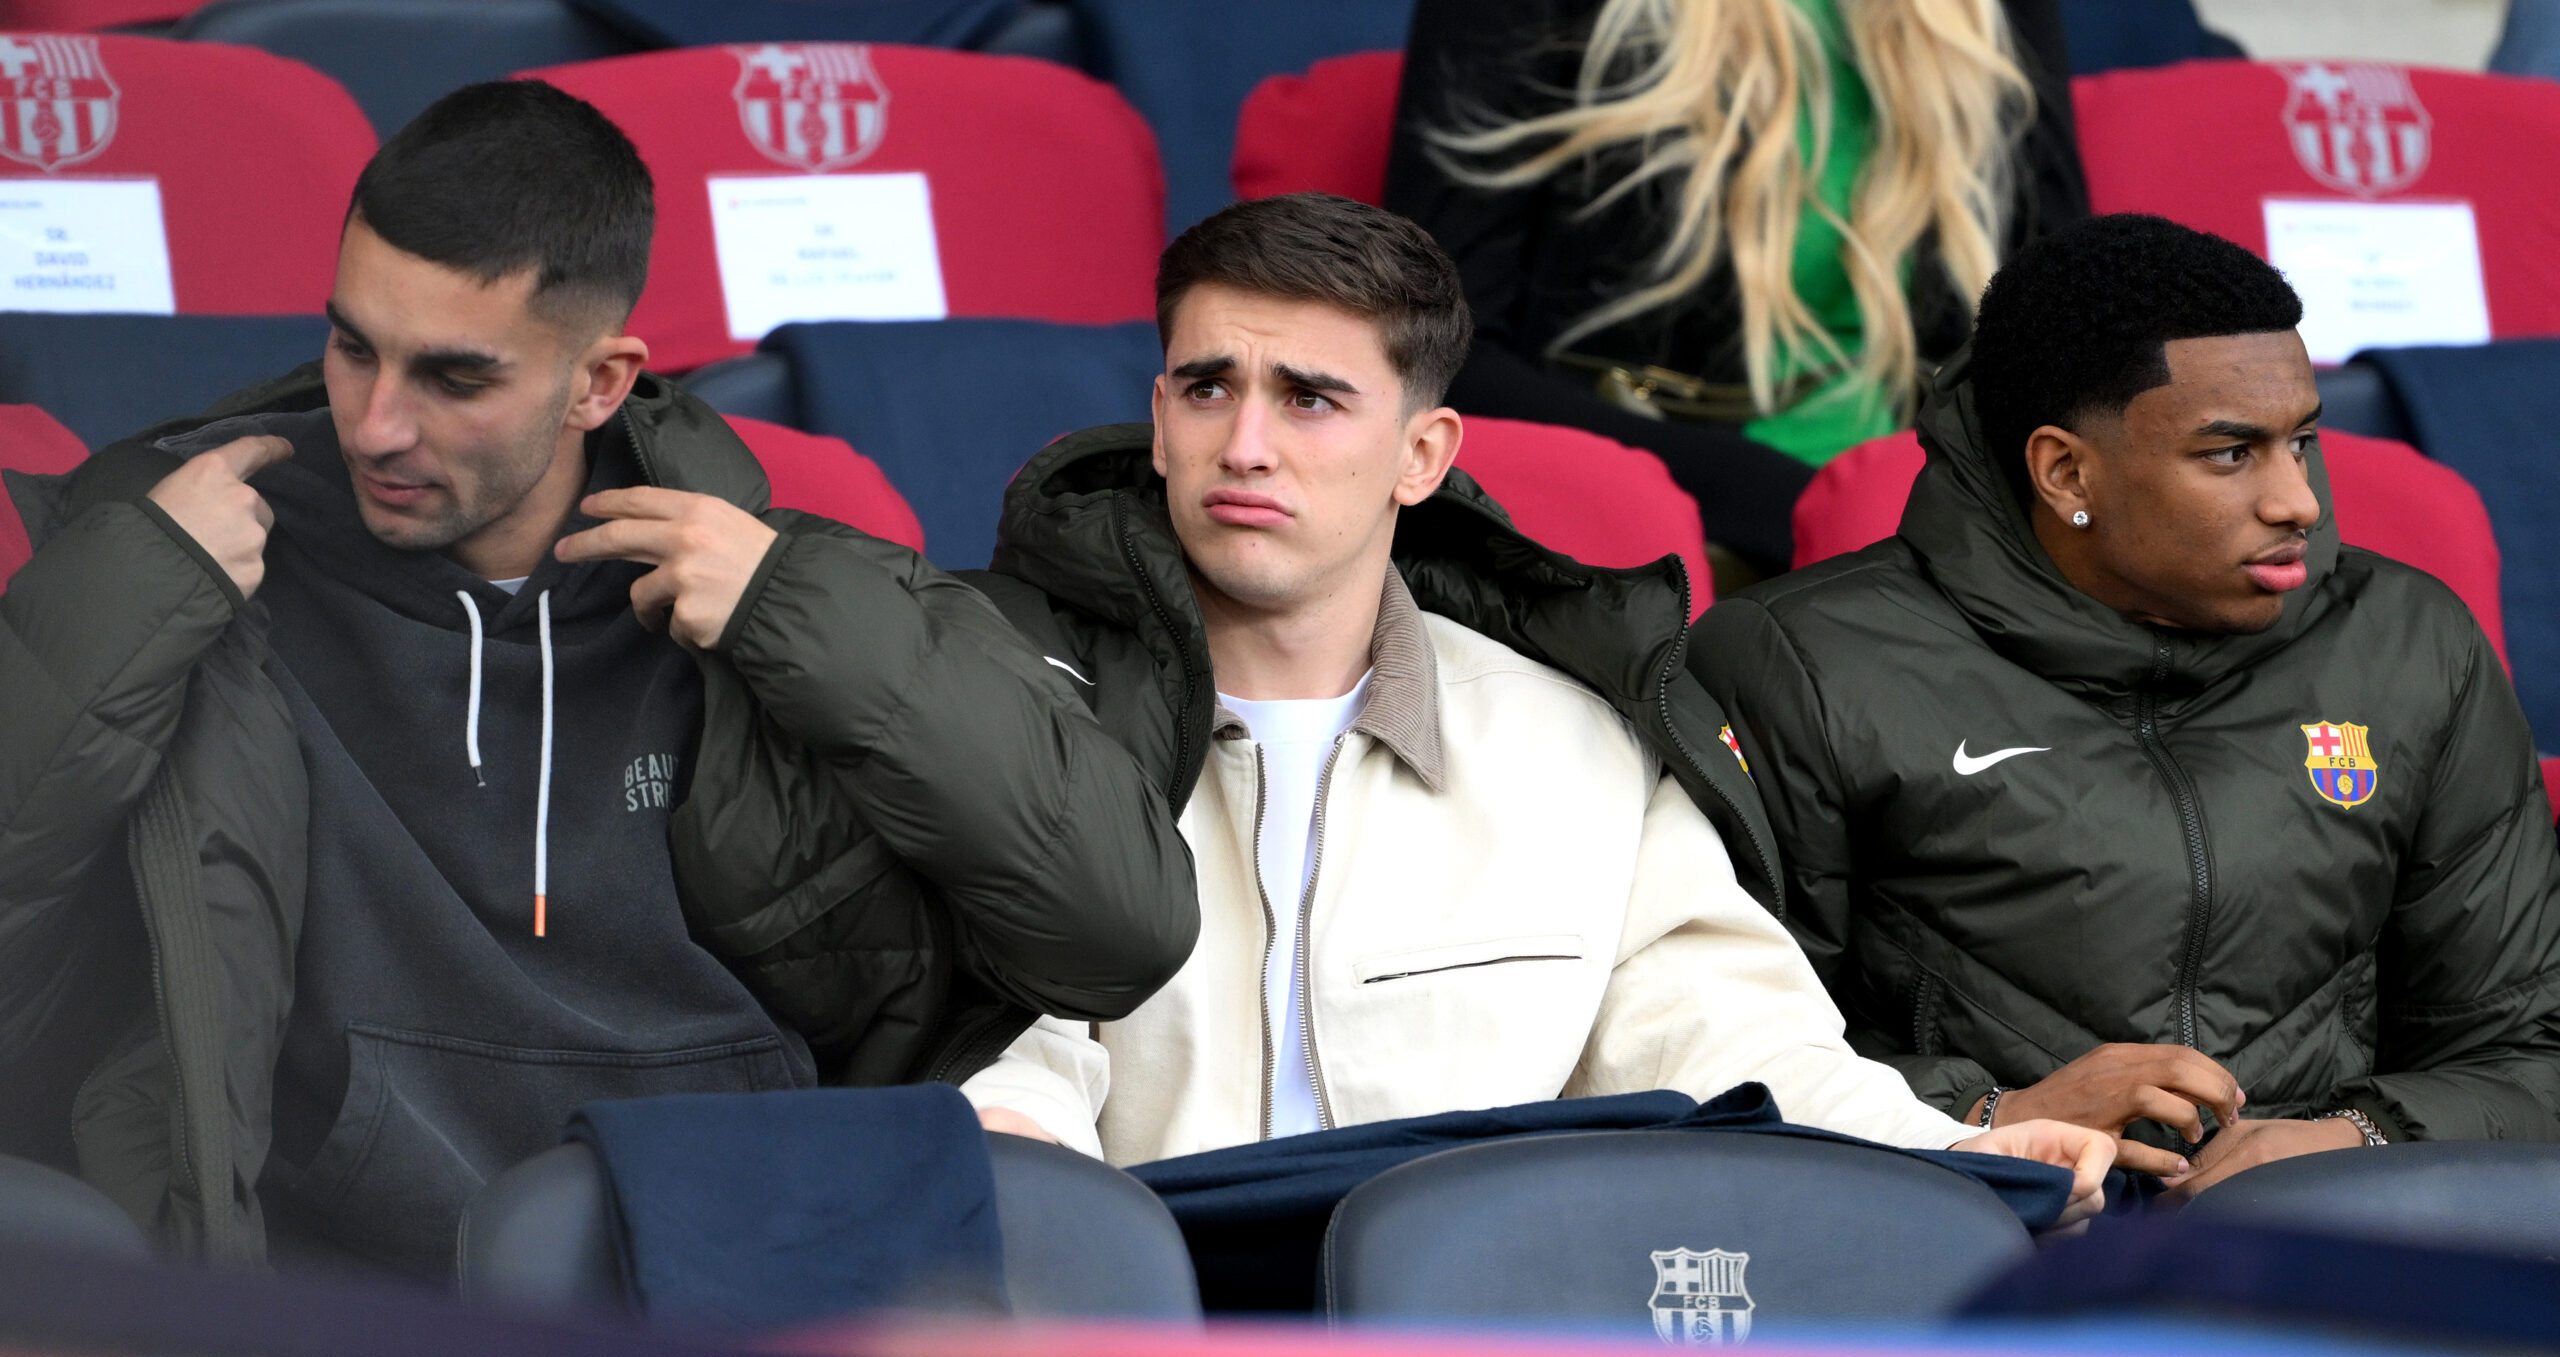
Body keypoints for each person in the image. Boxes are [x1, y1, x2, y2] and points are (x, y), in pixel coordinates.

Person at [0, 82, 1196, 1276]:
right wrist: (123, 601)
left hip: (725, 1264)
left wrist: (801, 616)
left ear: (600, 382)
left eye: (453, 379)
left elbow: (1117, 926)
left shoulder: (780, 594)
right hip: (345, 1306)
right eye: (354, 345)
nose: (373, 424)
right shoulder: (184, 563)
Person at [957, 192, 2111, 1217]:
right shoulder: (1015, 713)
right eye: (1210, 388)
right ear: (1160, 421)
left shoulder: (1581, 744)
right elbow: (997, 1054)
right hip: (1142, 1334)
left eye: (1310, 399)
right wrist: (1021, 1180)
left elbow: (1741, 1049)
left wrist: (1966, 1152)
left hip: (1476, 1340)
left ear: (1421, 454)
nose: (1245, 444)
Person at [1693, 213, 2560, 1200]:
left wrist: (2356, 1136)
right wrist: (1988, 1114)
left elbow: (2529, 1041)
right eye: (2230, 454)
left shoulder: (2407, 643)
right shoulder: (1802, 661)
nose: (2298, 501)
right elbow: (1709, 1038)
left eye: (2302, 441)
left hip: (2333, 1248)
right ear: (2066, 472)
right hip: (1970, 1228)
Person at [1385, 0, 2087, 586]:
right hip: (1665, 544)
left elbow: (2070, 330)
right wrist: (1806, 512)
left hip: (1933, 526)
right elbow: (1439, 355)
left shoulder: (1986, 13)